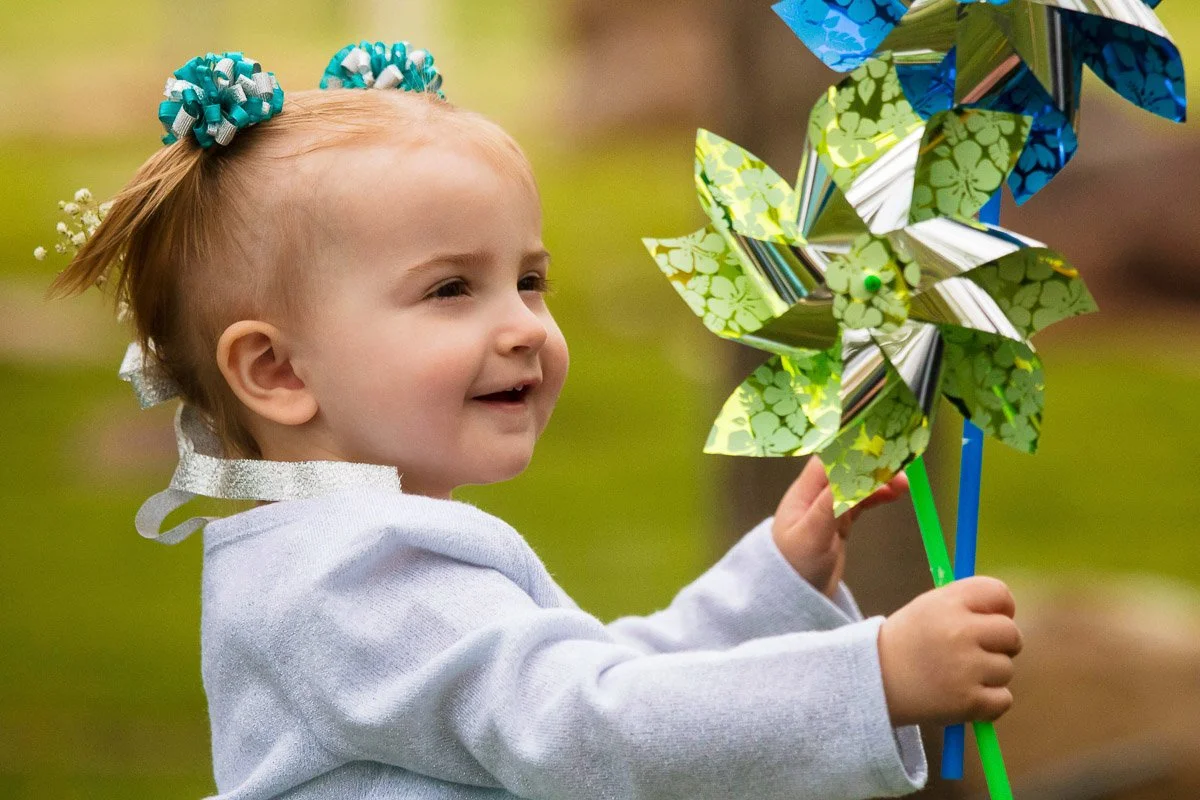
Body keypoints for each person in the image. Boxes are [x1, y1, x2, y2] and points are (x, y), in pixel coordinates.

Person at [46, 43, 1022, 800]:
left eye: (528, 278)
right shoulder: (353, 580)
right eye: (449, 289)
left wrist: (766, 586)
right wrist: (875, 677)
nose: (521, 325)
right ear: (277, 369)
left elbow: (579, 682)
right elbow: (592, 731)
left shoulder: (352, 551)